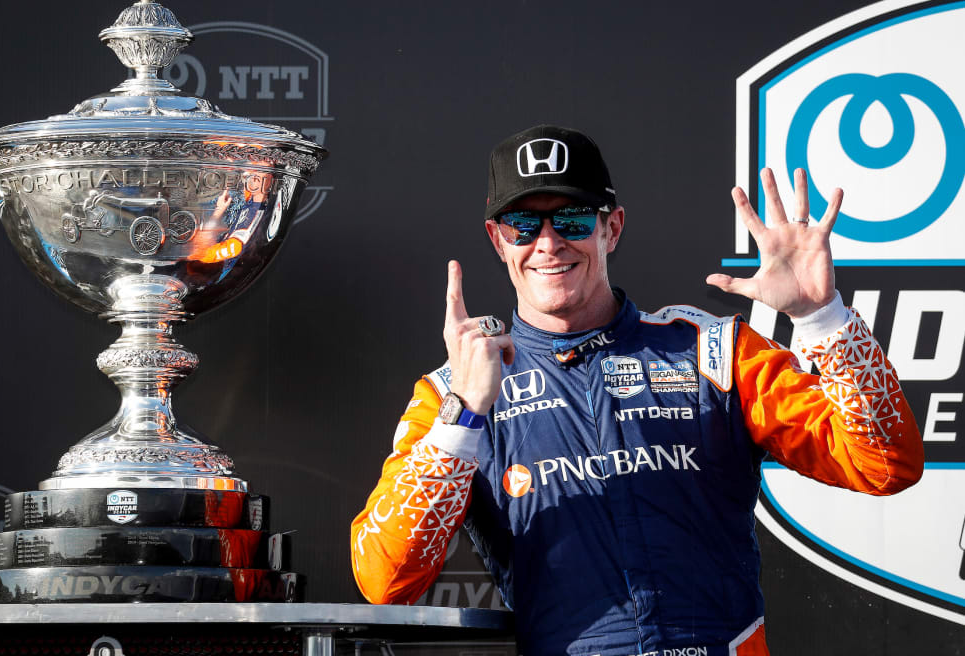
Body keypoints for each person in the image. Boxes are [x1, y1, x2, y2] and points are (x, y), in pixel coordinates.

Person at [350, 125, 923, 656]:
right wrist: (464, 416)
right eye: (523, 225)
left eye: (572, 220)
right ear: (498, 241)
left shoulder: (713, 351)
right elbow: (385, 580)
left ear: (612, 228)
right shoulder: (454, 392)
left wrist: (822, 317)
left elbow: (883, 464)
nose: (547, 243)